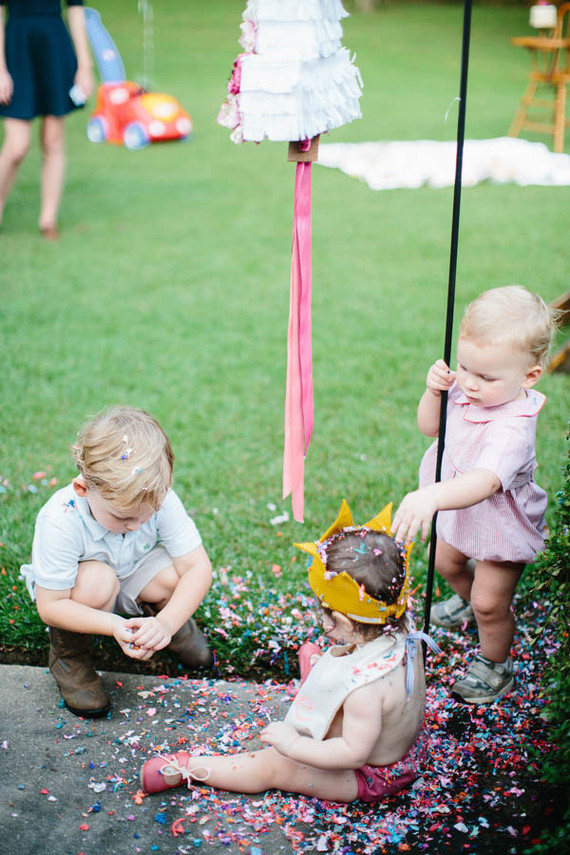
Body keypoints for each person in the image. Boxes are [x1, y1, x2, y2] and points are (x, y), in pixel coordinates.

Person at [140, 501, 439, 804]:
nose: (321, 617)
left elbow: (352, 753)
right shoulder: (399, 625)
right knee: (332, 670)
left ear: (343, 621)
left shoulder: (365, 692)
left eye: (324, 610)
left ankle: (186, 769)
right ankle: (325, 682)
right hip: (396, 742)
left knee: (276, 765)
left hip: (370, 774)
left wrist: (293, 745)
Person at [392, 285, 559, 705]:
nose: (468, 382)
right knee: (446, 562)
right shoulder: (466, 388)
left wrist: (431, 497)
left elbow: (484, 482)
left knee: (490, 603)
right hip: (461, 511)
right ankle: (466, 601)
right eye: (464, 366)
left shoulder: (512, 427)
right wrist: (434, 392)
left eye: (485, 377)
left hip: (500, 523)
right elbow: (430, 427)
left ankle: (495, 664)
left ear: (529, 376)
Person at [21, 406, 213, 718]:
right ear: (83, 489)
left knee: (175, 577)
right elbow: (51, 605)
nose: (136, 526)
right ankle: (70, 656)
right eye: (123, 518)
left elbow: (198, 567)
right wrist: (115, 625)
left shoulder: (157, 497)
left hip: (133, 569)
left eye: (148, 515)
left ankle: (164, 624)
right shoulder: (60, 518)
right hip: (85, 588)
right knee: (96, 583)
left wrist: (167, 623)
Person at [0, 0, 94, 239]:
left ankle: (48, 220)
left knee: (53, 141)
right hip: (16, 48)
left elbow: (75, 9)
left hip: (54, 46)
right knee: (17, 146)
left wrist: (85, 66)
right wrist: (0, 69)